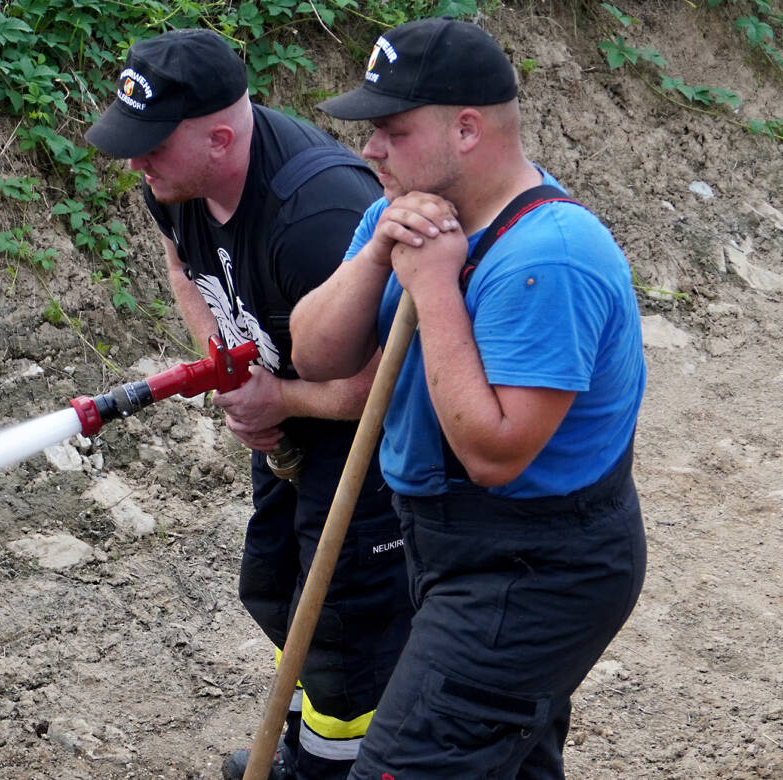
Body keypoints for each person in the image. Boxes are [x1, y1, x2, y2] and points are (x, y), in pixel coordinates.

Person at [288, 18, 648, 779]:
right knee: (503, 763)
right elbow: (315, 354)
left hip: (539, 565)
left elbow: (493, 452)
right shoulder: (406, 211)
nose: (369, 150)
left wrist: (435, 286)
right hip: (448, 541)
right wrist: (381, 253)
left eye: (390, 130)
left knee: (408, 766)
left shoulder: (548, 256)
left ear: (466, 128)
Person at [85, 28, 414, 780]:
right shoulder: (176, 184)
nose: (135, 162)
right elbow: (181, 263)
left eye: (151, 146)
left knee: (344, 628)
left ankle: (341, 767)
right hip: (291, 419)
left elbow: (396, 377)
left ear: (221, 139)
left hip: (367, 439)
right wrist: (228, 365)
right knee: (271, 586)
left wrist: (280, 396)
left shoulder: (317, 214)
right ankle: (298, 747)